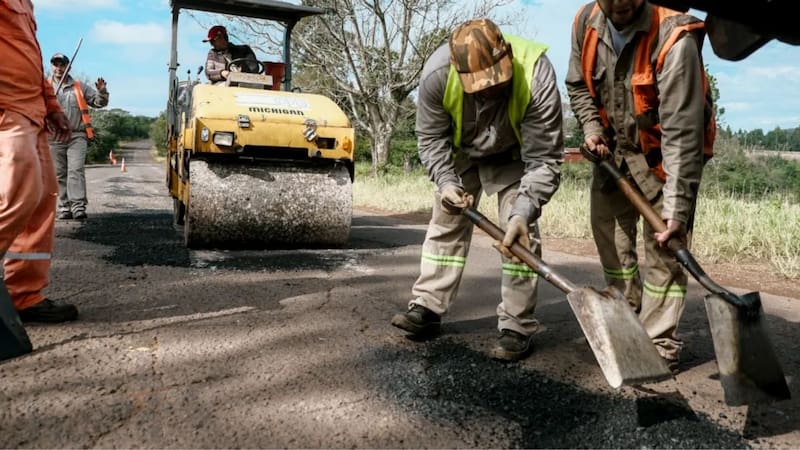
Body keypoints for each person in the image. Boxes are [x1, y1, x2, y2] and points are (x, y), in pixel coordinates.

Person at [390, 18, 564, 361]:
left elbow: (544, 158)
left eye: (495, 83)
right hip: (461, 152)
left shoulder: (536, 74)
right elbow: (430, 139)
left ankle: (516, 324)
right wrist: (446, 182)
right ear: (457, 71)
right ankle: (427, 306)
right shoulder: (437, 73)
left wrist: (523, 210)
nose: (488, 92)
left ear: (508, 57)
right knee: (446, 222)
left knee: (520, 234)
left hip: (515, 154)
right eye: (478, 87)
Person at [566, 0, 715, 371]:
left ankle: (659, 341)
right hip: (613, 152)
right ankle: (628, 316)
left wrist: (678, 210)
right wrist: (591, 129)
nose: (618, 4)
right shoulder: (587, 22)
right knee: (609, 235)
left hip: (665, 158)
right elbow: (578, 87)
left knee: (665, 245)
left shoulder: (674, 39)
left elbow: (683, 135)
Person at [1, 1, 79, 323]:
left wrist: (51, 106)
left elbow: (30, 60)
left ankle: (24, 295)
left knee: (41, 202)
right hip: (6, 109)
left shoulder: (25, 3)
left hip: (31, 111)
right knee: (20, 195)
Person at [49, 52, 110, 221]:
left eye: (62, 64)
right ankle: (64, 207)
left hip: (77, 136)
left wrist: (102, 92)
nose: (59, 68)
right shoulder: (44, 87)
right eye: (56, 64)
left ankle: (78, 208)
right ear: (52, 66)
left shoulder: (79, 87)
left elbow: (99, 103)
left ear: (68, 66)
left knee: (75, 170)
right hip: (54, 138)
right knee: (59, 173)